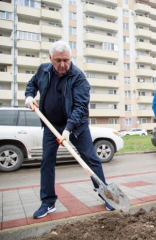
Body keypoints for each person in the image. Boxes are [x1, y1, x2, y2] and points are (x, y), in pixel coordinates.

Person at [25, 40, 114, 219]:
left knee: (90, 159)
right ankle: (48, 202)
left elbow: (80, 107)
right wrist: (29, 95)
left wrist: (68, 130)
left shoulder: (78, 77)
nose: (63, 64)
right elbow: (32, 84)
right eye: (58, 60)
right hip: (51, 125)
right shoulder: (43, 70)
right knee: (47, 162)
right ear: (51, 58)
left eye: (66, 60)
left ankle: (105, 194)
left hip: (76, 126)